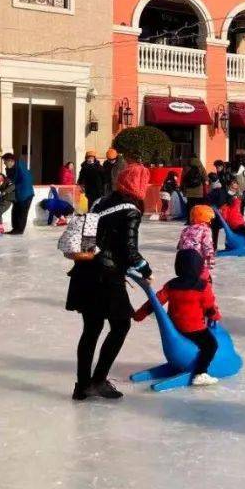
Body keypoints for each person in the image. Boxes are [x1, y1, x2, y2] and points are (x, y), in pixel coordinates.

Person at [66, 163, 153, 401]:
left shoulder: (100, 202)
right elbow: (129, 250)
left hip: (84, 272)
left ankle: (82, 386)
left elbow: (87, 241)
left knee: (91, 330)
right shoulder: (131, 210)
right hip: (106, 277)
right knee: (121, 325)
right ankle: (98, 380)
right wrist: (145, 268)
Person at [133, 248, 222, 386]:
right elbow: (210, 308)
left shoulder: (171, 285)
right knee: (211, 345)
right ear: (198, 267)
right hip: (195, 329)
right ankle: (201, 373)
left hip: (175, 328)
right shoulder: (203, 287)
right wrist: (216, 317)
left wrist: (139, 315)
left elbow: (155, 302)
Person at [178, 204, 217, 283]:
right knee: (204, 280)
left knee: (187, 280)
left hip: (184, 259)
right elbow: (207, 246)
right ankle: (204, 292)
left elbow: (181, 245)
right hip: (198, 260)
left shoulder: (185, 230)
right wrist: (210, 261)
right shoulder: (206, 230)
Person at [2, 153, 34, 235]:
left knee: (22, 213)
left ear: (10, 161)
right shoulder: (14, 167)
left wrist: (6, 191)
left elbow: (15, 182)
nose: (4, 164)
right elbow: (10, 179)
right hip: (18, 194)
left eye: (5, 162)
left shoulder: (19, 168)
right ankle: (15, 229)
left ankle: (19, 230)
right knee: (15, 211)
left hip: (25, 194)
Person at [180, 158, 208, 224]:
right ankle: (198, 220)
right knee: (198, 207)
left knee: (190, 207)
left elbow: (183, 179)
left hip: (189, 191)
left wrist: (182, 188)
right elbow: (206, 179)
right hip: (199, 192)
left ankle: (189, 221)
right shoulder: (201, 167)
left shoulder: (186, 168)